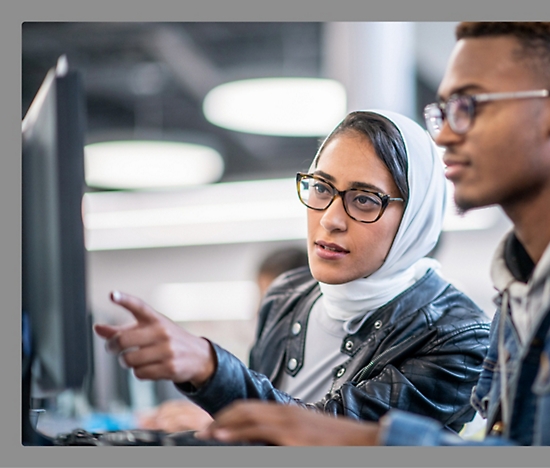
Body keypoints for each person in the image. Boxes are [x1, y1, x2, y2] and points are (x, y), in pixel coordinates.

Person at [196, 21, 550, 446]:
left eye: (471, 106)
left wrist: (364, 441)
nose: (446, 136)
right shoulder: (526, 278)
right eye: (443, 109)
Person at [94, 109, 491, 433]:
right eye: (321, 188)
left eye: (365, 199)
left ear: (415, 218)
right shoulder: (287, 294)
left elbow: (338, 435)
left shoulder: (459, 337)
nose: (331, 219)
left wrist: (211, 368)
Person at [136, 247, 309, 433]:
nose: (261, 311)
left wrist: (221, 423)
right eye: (263, 301)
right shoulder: (267, 355)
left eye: (274, 304)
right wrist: (214, 414)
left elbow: (299, 429)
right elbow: (261, 407)